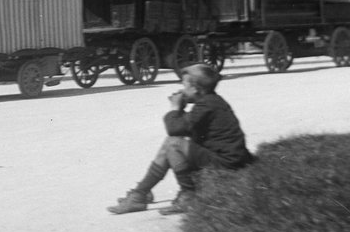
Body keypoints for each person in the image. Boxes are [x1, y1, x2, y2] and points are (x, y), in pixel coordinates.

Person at [107, 62, 253, 216]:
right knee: (171, 144)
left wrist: (175, 108)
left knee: (173, 144)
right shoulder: (210, 101)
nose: (182, 90)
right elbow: (186, 126)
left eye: (184, 85)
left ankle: (187, 195)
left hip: (228, 163)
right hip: (226, 158)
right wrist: (180, 110)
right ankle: (140, 193)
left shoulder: (207, 105)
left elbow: (174, 129)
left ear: (195, 88)